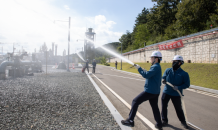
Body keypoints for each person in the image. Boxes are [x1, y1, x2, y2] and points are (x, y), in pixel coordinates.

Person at [121, 51, 163, 130]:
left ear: (156, 59)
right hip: (155, 92)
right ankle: (159, 124)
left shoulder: (155, 67)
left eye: (152, 57)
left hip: (150, 91)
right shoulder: (157, 66)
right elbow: (150, 74)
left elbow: (146, 75)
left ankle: (130, 120)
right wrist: (144, 70)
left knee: (135, 101)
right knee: (155, 107)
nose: (150, 59)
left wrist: (139, 69)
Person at [161, 55, 190, 129]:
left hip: (176, 94)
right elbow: (163, 77)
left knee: (178, 108)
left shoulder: (184, 74)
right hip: (166, 92)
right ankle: (164, 120)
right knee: (164, 107)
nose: (173, 63)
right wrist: (163, 80)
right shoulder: (168, 70)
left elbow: (187, 84)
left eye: (175, 62)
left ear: (180, 63)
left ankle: (183, 122)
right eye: (173, 61)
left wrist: (178, 87)